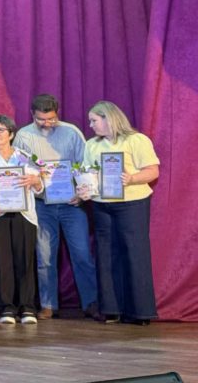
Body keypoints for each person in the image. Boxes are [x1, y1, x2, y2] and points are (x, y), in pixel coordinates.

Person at [13, 94, 99, 320]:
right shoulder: (23, 135)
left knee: (82, 254)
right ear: (32, 115)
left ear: (57, 113)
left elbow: (85, 166)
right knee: (44, 257)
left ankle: (91, 302)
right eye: (42, 119)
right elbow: (19, 167)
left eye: (51, 118)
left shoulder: (71, 132)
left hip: (72, 204)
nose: (47, 123)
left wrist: (82, 193)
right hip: (41, 204)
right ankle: (48, 305)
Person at [79, 101, 159, 325]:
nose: (91, 125)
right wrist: (85, 189)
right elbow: (88, 174)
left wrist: (132, 178)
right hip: (101, 205)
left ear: (109, 118)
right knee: (105, 253)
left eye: (94, 120)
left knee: (134, 252)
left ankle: (140, 311)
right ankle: (111, 309)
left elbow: (153, 171)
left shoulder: (136, 140)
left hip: (132, 203)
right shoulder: (91, 145)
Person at [0, 114, 44, 324]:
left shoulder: (25, 157)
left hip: (24, 214)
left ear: (11, 134)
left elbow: (40, 188)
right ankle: (6, 308)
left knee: (25, 262)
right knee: (1, 262)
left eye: (1, 130)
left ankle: (27, 308)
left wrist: (35, 180)